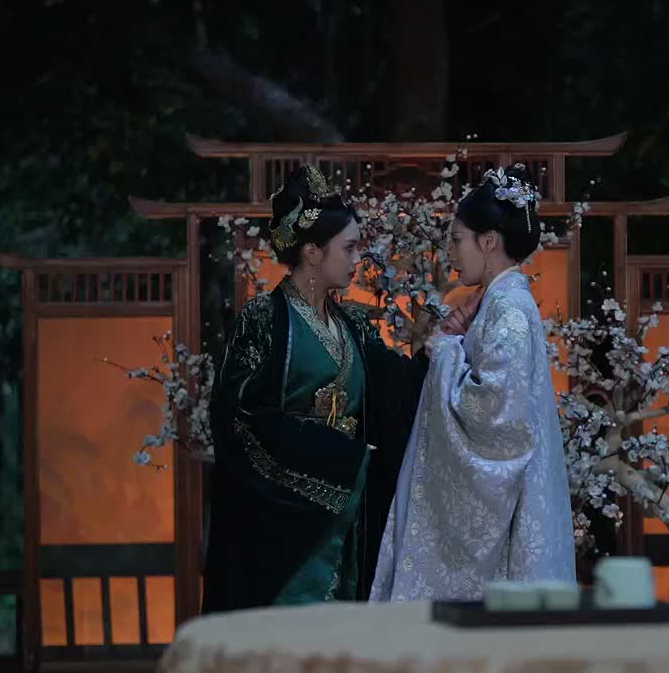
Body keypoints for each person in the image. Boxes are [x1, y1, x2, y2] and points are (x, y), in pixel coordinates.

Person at [203, 165, 428, 611]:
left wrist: (435, 354)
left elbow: (397, 391)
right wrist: (332, 455)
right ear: (311, 252)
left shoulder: (353, 325)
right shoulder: (264, 320)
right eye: (349, 247)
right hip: (282, 522)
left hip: (345, 519)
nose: (357, 258)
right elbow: (238, 418)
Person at [371, 166, 576, 601]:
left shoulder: (509, 309)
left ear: (488, 242)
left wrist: (444, 349)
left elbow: (496, 415)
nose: (450, 251)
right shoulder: (501, 302)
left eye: (457, 239)